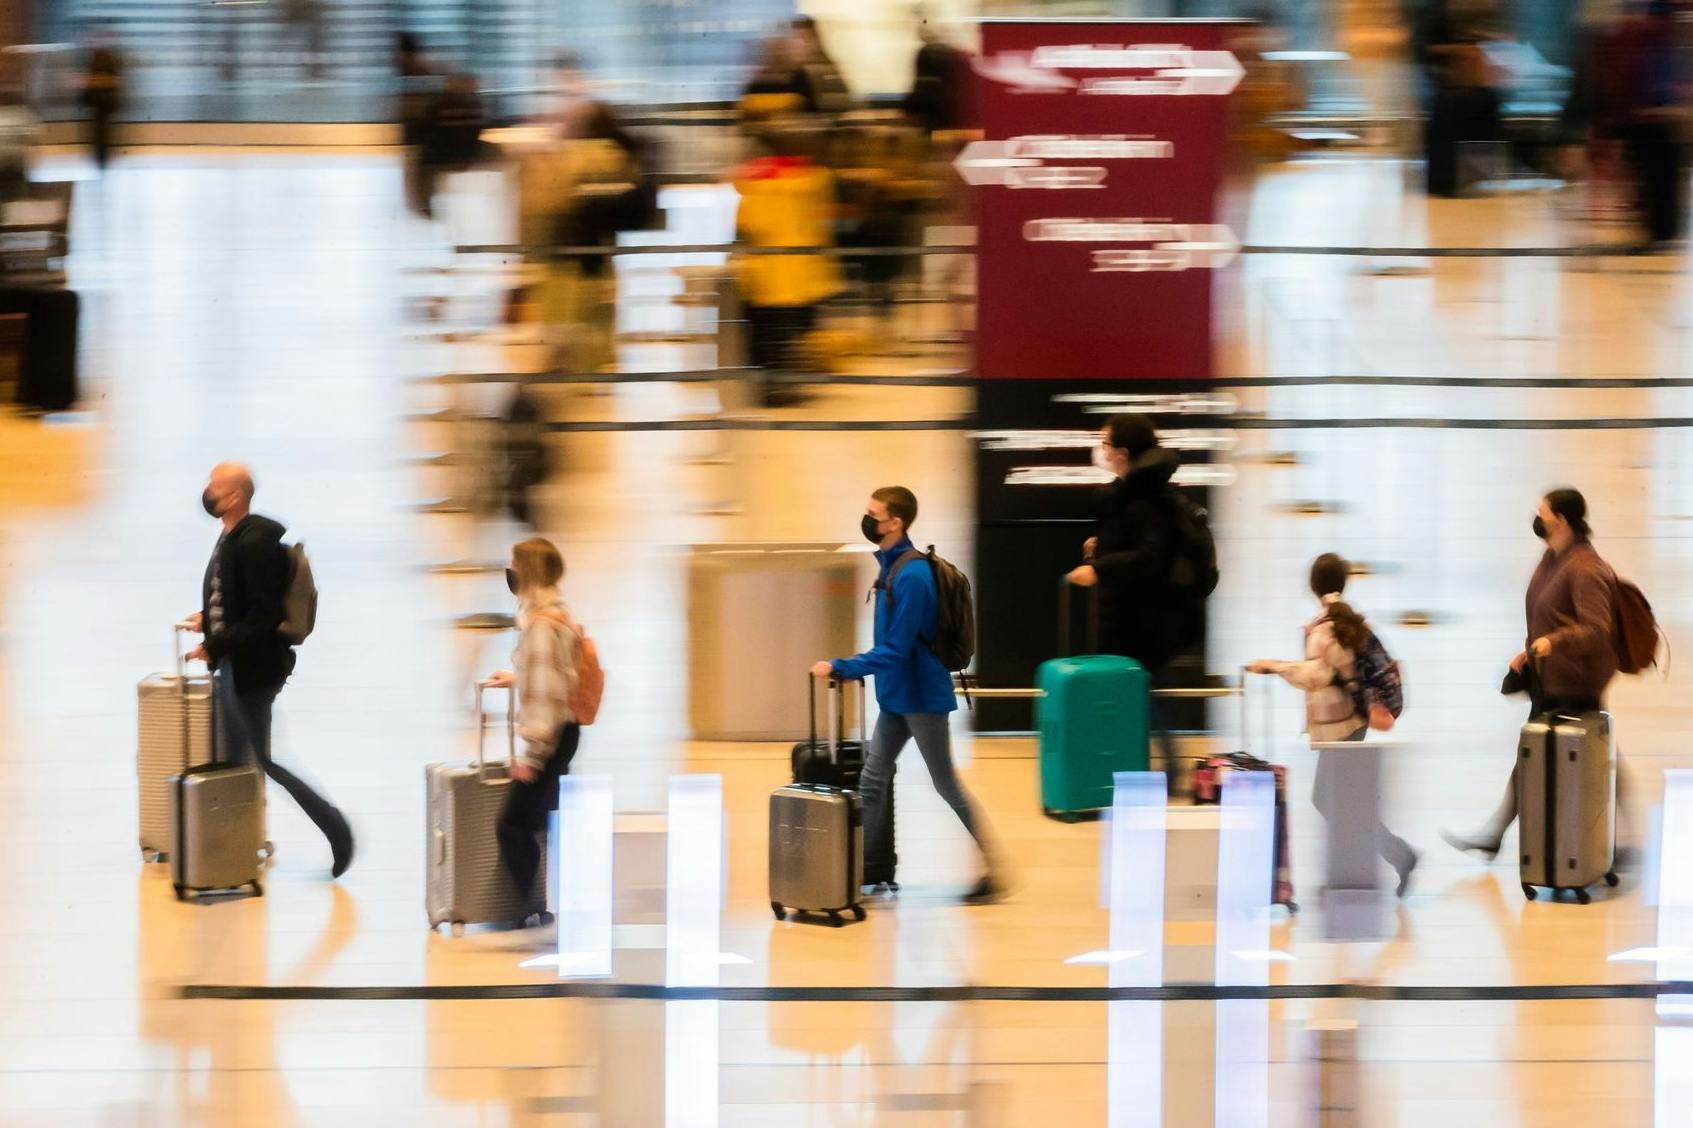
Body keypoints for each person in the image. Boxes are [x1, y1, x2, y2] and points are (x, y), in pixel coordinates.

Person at [810, 487, 1004, 904]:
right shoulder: (892, 566)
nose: (867, 520)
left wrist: (843, 667)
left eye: (872, 514)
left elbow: (896, 649)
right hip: (898, 696)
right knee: (873, 778)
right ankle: (863, 868)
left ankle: (995, 870)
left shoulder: (912, 576)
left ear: (894, 522)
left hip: (921, 697)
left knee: (946, 784)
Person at [184, 462, 354, 878]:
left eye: (215, 486)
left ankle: (336, 829)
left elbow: (262, 616)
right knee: (236, 760)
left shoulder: (253, 542)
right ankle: (238, 848)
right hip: (236, 666)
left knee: (264, 760)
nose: (207, 491)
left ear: (236, 496)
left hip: (253, 671)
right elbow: (235, 599)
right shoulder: (234, 537)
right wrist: (207, 620)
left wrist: (215, 643)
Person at [1443, 488, 1623, 859]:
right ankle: (1499, 832)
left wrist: (1553, 643)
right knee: (1552, 754)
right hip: (1549, 676)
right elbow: (1547, 614)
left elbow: (1597, 629)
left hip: (1573, 681)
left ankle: (1501, 833)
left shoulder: (1586, 568)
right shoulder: (1553, 558)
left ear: (1562, 520)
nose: (1537, 519)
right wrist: (1529, 652)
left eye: (1543, 513)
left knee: (1547, 756)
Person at [1248, 553, 1419, 896]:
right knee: (1336, 799)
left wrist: (1274, 667)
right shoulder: (1346, 621)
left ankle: (1391, 858)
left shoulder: (1326, 628)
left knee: (1329, 799)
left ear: (1313, 587)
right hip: (1351, 724)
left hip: (1341, 727)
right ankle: (1370, 866)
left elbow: (1316, 674)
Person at [1066, 414, 1189, 766]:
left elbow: (1150, 556)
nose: (1101, 450)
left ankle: (1154, 771)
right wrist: (1100, 547)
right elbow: (1132, 541)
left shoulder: (1148, 496)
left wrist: (1099, 567)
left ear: (1121, 451)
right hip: (1128, 618)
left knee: (1144, 699)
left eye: (1105, 443)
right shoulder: (1130, 492)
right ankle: (1139, 768)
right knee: (1142, 699)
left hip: (1142, 622)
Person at [487, 537, 583, 905]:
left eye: (514, 564)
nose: (509, 571)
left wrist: (533, 756)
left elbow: (545, 695)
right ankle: (552, 900)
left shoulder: (541, 625)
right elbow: (560, 673)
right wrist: (517, 676)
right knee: (544, 817)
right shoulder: (558, 611)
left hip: (551, 736)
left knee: (512, 824)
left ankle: (527, 906)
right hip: (567, 731)